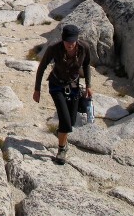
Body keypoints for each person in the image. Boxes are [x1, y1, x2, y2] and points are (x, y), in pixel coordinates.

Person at [32, 24, 92, 164]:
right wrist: (37, 89)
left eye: (72, 41)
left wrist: (88, 85)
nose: (70, 45)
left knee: (70, 121)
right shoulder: (54, 48)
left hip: (74, 86)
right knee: (65, 121)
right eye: (67, 41)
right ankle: (61, 149)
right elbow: (42, 67)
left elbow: (87, 65)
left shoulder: (84, 48)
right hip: (56, 85)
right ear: (63, 39)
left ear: (76, 39)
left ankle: (61, 134)